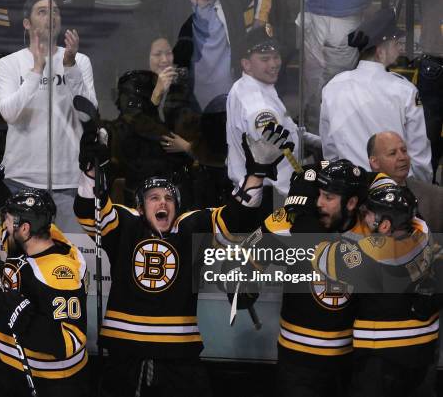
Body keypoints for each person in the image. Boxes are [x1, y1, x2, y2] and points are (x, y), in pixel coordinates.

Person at [75, 95, 294, 396]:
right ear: (140, 206)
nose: (162, 202)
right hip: (124, 356)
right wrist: (90, 173)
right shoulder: (126, 224)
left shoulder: (191, 226)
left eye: (169, 198)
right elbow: (89, 210)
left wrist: (255, 174)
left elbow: (237, 217)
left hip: (180, 359)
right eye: (154, 198)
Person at [229, 159, 371, 397]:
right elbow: (245, 255)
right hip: (297, 363)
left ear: (352, 202)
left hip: (349, 362)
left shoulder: (370, 230)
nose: (319, 203)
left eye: (329, 197)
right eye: (319, 194)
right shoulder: (291, 219)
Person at [312, 184, 436, 397]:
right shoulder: (422, 233)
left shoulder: (370, 253)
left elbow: (320, 256)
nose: (364, 216)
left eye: (369, 213)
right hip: (423, 350)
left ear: (385, 225)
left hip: (382, 357)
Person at [0, 0, 97, 233]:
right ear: (26, 24)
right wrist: (36, 71)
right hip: (21, 181)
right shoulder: (9, 64)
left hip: (70, 181)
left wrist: (70, 68)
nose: (50, 16)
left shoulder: (80, 61)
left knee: (71, 260)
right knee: (22, 259)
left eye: (55, 12)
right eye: (42, 11)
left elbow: (89, 115)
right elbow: (10, 113)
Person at [0, 189, 89, 397]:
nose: (3, 226)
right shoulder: (31, 239)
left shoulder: (59, 274)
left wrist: (24, 318)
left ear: (24, 228)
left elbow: (70, 341)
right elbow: (13, 228)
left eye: (7, 220)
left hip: (51, 383)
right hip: (9, 370)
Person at [320, 8, 433, 182]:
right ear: (380, 51)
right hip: (395, 190)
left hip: (351, 188)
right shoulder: (404, 90)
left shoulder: (333, 88)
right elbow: (419, 152)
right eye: (395, 43)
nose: (399, 48)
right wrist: (418, 188)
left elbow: (330, 149)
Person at [226, 26, 320, 202]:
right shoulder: (259, 109)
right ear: (246, 63)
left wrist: (315, 141)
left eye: (276, 57)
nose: (274, 64)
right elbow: (279, 162)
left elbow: (287, 132)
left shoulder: (244, 85)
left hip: (252, 188)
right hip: (272, 195)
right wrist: (303, 191)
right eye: (265, 59)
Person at [112, 37, 198, 207]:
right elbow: (135, 125)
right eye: (157, 54)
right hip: (142, 180)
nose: (164, 60)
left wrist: (188, 147)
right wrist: (157, 93)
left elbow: (190, 129)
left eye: (168, 53)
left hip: (178, 181)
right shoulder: (131, 87)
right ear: (146, 58)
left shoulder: (180, 87)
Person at [299, 0, 372, 133]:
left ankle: (316, 134)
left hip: (331, 12)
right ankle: (321, 135)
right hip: (335, 13)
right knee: (336, 84)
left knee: (324, 82)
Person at [367, 131, 443, 232]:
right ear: (375, 162)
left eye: (404, 151)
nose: (402, 157)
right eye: (392, 153)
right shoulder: (361, 201)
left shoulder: (435, 197)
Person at [417, 0, 443, 179]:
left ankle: (429, 181)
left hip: (433, 57)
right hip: (432, 57)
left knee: (430, 129)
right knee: (430, 128)